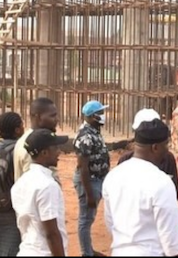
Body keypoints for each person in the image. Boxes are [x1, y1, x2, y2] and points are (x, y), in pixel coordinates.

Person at [103, 111, 178, 256]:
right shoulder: (161, 182)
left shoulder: (113, 176)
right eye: (166, 145)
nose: (167, 150)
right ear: (155, 147)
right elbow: (173, 243)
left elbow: (110, 223)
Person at [12, 129, 69, 256]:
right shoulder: (47, 185)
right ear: (44, 153)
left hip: (27, 250)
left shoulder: (20, 183)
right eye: (55, 148)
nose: (59, 151)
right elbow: (51, 234)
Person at [73, 100, 111, 257]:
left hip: (96, 179)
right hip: (89, 181)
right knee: (85, 219)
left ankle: (88, 250)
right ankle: (86, 253)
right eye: (100, 113)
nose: (103, 116)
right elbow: (83, 167)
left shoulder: (94, 132)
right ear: (91, 116)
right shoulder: (86, 136)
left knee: (89, 217)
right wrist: (89, 194)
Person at [0, 112, 25, 256]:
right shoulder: (19, 150)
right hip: (11, 206)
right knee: (13, 244)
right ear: (17, 130)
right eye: (22, 125)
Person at [14, 97, 59, 181]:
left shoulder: (34, 140)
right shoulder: (32, 145)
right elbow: (33, 182)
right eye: (52, 116)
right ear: (38, 117)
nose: (57, 119)